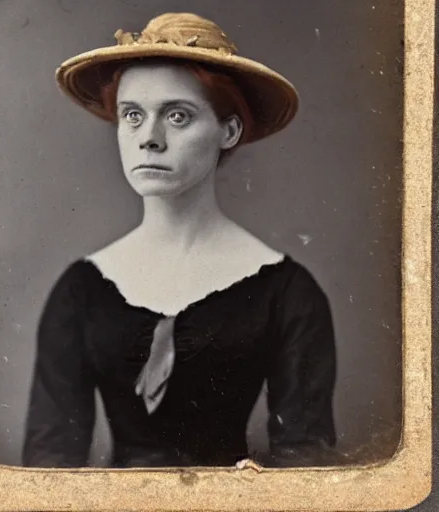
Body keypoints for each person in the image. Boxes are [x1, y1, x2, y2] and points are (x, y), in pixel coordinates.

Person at [22, 12, 337, 469]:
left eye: (177, 116)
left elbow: (308, 462)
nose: (149, 139)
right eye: (132, 115)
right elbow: (46, 464)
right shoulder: (81, 288)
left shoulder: (287, 291)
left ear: (228, 132)